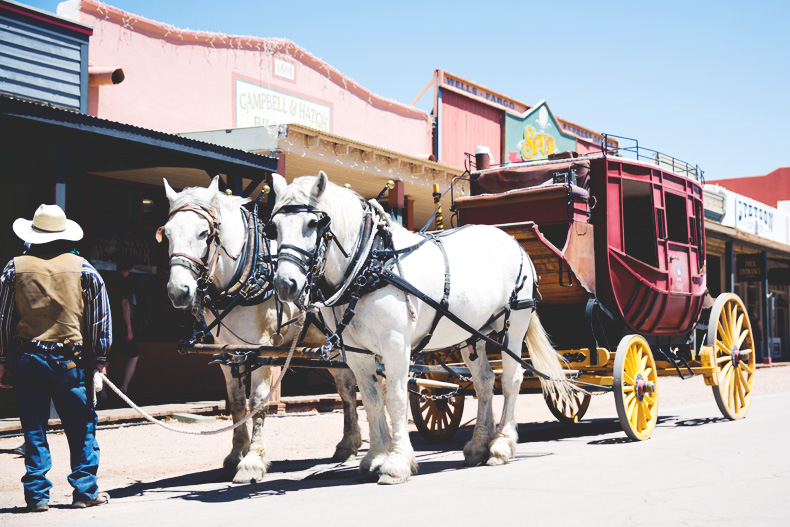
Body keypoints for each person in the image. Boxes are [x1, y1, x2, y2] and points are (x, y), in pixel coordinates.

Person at [0, 204, 112, 512]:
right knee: (81, 425)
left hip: (27, 357)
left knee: (34, 426)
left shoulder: (14, 268)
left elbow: (5, 319)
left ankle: (37, 495)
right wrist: (100, 359)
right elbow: (99, 319)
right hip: (70, 360)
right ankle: (84, 491)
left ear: (33, 235)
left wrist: (2, 360)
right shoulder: (85, 269)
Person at [106, 254, 139, 395]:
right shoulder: (124, 282)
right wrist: (129, 327)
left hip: (107, 323)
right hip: (120, 324)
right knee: (134, 354)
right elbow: (125, 304)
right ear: (130, 269)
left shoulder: (107, 280)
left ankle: (101, 390)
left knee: (106, 357)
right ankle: (124, 387)